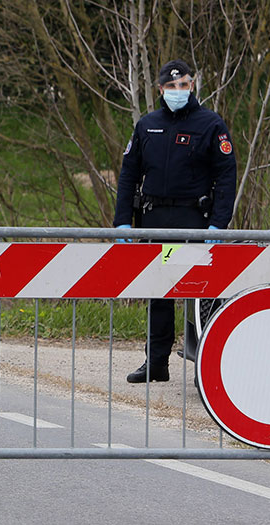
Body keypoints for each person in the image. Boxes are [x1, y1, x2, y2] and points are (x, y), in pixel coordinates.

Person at [114, 59, 237, 384]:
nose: (177, 91)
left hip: (195, 221)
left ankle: (206, 368)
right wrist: (122, 221)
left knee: (202, 295)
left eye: (183, 85)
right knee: (159, 292)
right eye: (171, 86)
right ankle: (156, 363)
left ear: (192, 85)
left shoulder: (210, 124)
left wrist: (218, 225)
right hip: (154, 219)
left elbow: (226, 175)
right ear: (160, 89)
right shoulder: (147, 124)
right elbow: (128, 174)